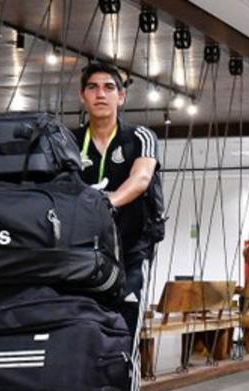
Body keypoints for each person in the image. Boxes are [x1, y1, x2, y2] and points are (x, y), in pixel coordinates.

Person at [72, 61, 161, 341]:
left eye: (109, 88)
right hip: (84, 251)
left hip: (131, 249)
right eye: (93, 87)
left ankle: (126, 371)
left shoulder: (140, 137)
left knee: (127, 326)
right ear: (83, 96)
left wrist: (108, 201)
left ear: (121, 97)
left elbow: (141, 178)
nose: (101, 94)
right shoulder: (68, 141)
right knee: (83, 328)